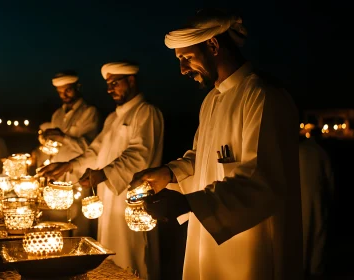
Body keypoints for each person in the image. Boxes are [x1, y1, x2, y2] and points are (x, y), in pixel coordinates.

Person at [130, 9, 303, 280]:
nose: (183, 69)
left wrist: (189, 203)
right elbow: (202, 157)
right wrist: (169, 173)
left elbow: (264, 180)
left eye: (186, 58)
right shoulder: (211, 101)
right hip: (208, 230)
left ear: (212, 45)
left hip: (251, 241)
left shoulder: (263, 96)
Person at [40, 62, 164, 279]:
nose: (109, 89)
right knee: (111, 257)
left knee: (134, 258)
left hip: (132, 203)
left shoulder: (146, 112)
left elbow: (139, 155)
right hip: (108, 197)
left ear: (132, 80)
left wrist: (104, 173)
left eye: (115, 83)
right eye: (108, 84)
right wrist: (67, 166)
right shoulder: (112, 118)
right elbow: (94, 151)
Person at [37, 71, 101, 236]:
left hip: (79, 177)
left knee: (80, 225)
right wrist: (45, 141)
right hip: (58, 177)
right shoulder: (57, 115)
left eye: (68, 90)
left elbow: (91, 149)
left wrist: (63, 137)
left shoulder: (89, 112)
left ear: (77, 87)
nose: (63, 95)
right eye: (59, 92)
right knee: (59, 222)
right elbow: (52, 146)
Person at [299, 127, 334, 279]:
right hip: (317, 197)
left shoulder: (298, 150)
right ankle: (315, 269)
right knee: (318, 233)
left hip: (299, 197)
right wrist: (331, 197)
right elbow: (330, 177)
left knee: (302, 232)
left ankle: (301, 267)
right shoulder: (321, 152)